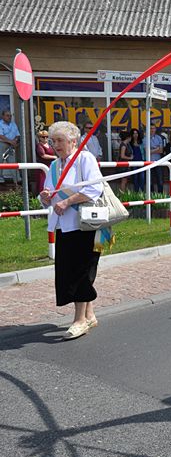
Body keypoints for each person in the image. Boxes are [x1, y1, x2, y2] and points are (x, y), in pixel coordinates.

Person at [39, 121, 105, 340]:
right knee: (69, 270)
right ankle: (90, 315)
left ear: (73, 141)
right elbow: (49, 194)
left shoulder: (84, 159)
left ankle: (79, 321)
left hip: (85, 224)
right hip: (64, 225)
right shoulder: (54, 166)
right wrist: (45, 197)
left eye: (60, 140)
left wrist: (67, 202)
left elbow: (94, 188)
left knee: (81, 271)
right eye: (53, 141)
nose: (55, 145)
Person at [0, 109, 21, 183]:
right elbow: (1, 136)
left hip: (11, 146)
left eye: (10, 116)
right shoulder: (0, 124)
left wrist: (15, 141)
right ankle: (0, 179)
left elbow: (17, 135)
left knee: (12, 162)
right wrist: (11, 142)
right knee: (0, 161)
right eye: (7, 115)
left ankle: (17, 180)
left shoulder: (13, 124)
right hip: (2, 144)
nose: (9, 117)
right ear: (3, 116)